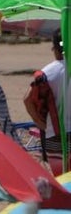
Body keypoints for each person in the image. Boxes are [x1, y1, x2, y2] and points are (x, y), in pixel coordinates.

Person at [24, 32, 70, 165]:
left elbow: (27, 99)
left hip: (55, 134)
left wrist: (39, 122)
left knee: (61, 181)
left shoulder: (47, 73)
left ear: (55, 49)